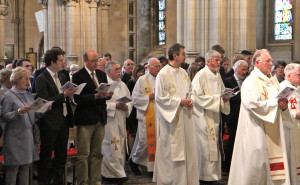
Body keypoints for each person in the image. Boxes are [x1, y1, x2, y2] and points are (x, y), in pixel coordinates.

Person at [228, 49, 293, 185]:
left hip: (273, 129)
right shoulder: (250, 82)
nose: (271, 64)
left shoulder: (272, 81)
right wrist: (275, 103)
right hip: (256, 130)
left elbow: (278, 102)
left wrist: (283, 105)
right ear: (257, 62)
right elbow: (252, 104)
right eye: (268, 61)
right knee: (256, 166)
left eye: (271, 61)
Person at [153, 43, 199, 185]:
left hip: (186, 119)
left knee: (188, 151)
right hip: (172, 121)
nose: (185, 56)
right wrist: (180, 101)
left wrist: (191, 100)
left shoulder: (183, 73)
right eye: (183, 53)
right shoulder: (163, 74)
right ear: (175, 56)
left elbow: (191, 91)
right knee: (172, 154)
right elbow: (160, 98)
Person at [35, 48, 76, 185]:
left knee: (61, 158)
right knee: (46, 158)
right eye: (60, 60)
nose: (63, 63)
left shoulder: (62, 76)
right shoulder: (41, 78)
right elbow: (45, 100)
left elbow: (63, 98)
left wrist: (70, 96)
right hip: (49, 123)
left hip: (63, 121)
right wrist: (64, 95)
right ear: (52, 62)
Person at [72, 49, 112, 185]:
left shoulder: (101, 74)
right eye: (93, 61)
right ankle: (83, 182)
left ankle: (95, 181)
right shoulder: (78, 76)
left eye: (97, 60)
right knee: (83, 154)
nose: (96, 63)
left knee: (97, 154)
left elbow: (105, 93)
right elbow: (77, 98)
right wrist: (95, 96)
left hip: (100, 118)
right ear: (85, 61)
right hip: (85, 119)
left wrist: (108, 94)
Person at [1, 67, 47, 185]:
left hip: (27, 135)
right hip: (14, 136)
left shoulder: (28, 95)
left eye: (29, 79)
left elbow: (33, 114)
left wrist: (43, 110)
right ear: (17, 79)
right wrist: (19, 112)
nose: (28, 82)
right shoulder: (8, 95)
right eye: (26, 79)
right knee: (14, 167)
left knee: (26, 166)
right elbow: (4, 116)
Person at [192, 50, 230, 185]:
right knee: (206, 147)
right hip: (203, 116)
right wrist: (218, 99)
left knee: (214, 146)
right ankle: (205, 176)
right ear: (208, 61)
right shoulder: (201, 75)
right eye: (216, 60)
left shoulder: (217, 75)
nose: (219, 63)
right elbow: (197, 97)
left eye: (220, 60)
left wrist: (225, 97)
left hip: (214, 115)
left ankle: (214, 175)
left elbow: (222, 92)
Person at [129, 58, 161, 175]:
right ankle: (134, 161)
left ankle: (152, 168)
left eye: (159, 66)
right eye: (156, 67)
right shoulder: (142, 80)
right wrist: (149, 97)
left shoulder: (161, 78)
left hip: (160, 116)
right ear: (149, 67)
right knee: (144, 142)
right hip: (146, 116)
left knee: (158, 142)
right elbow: (135, 99)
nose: (158, 69)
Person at [101, 61, 132, 183]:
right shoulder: (104, 85)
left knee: (121, 145)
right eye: (116, 69)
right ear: (109, 72)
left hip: (121, 118)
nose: (119, 71)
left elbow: (130, 100)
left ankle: (120, 170)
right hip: (110, 120)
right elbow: (102, 105)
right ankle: (112, 173)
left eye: (119, 69)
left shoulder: (122, 84)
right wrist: (115, 106)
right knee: (111, 145)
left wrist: (127, 106)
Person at [223, 60, 248, 173]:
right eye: (242, 69)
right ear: (236, 69)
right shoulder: (228, 81)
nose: (244, 72)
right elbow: (229, 98)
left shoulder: (247, 81)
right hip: (233, 115)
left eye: (246, 70)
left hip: (244, 115)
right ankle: (228, 166)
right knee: (232, 140)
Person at [279, 63, 300, 185]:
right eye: (298, 74)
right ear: (289, 75)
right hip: (288, 128)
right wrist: (295, 115)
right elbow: (282, 110)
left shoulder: (296, 86)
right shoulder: (283, 88)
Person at [126, 64, 145, 152]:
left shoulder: (144, 82)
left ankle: (138, 152)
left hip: (142, 108)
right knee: (132, 132)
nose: (141, 74)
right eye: (139, 72)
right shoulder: (131, 82)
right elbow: (130, 96)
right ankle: (131, 153)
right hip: (133, 110)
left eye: (143, 72)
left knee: (140, 133)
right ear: (135, 72)